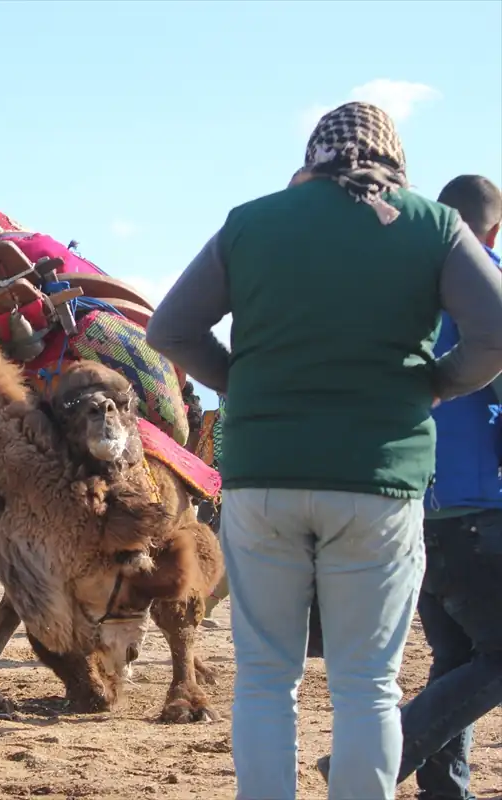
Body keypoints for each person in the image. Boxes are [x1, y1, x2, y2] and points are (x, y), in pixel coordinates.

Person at [145, 103, 502, 800]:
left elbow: (171, 328)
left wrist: (243, 383)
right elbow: (493, 335)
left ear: (312, 159)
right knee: (368, 684)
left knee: (267, 677)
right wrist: (433, 387)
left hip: (263, 478)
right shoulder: (432, 224)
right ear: (391, 161)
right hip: (379, 479)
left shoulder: (252, 221)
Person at [318, 174, 502, 799]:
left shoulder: (403, 292)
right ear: (493, 231)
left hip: (404, 507)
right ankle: (372, 760)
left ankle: (446, 790)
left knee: (456, 658)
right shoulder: (490, 287)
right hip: (476, 510)